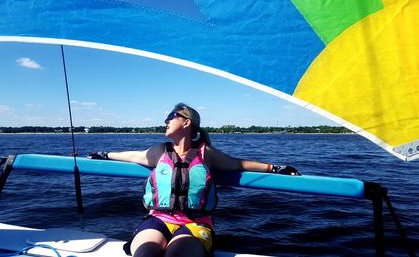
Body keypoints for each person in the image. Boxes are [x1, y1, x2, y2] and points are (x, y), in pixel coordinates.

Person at [88, 103, 300, 257]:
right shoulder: (160, 151)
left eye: (172, 116)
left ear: (186, 122)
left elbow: (238, 163)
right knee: (145, 254)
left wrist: (274, 167)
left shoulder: (206, 154)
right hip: (159, 219)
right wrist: (105, 154)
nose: (166, 121)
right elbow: (133, 155)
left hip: (195, 224)